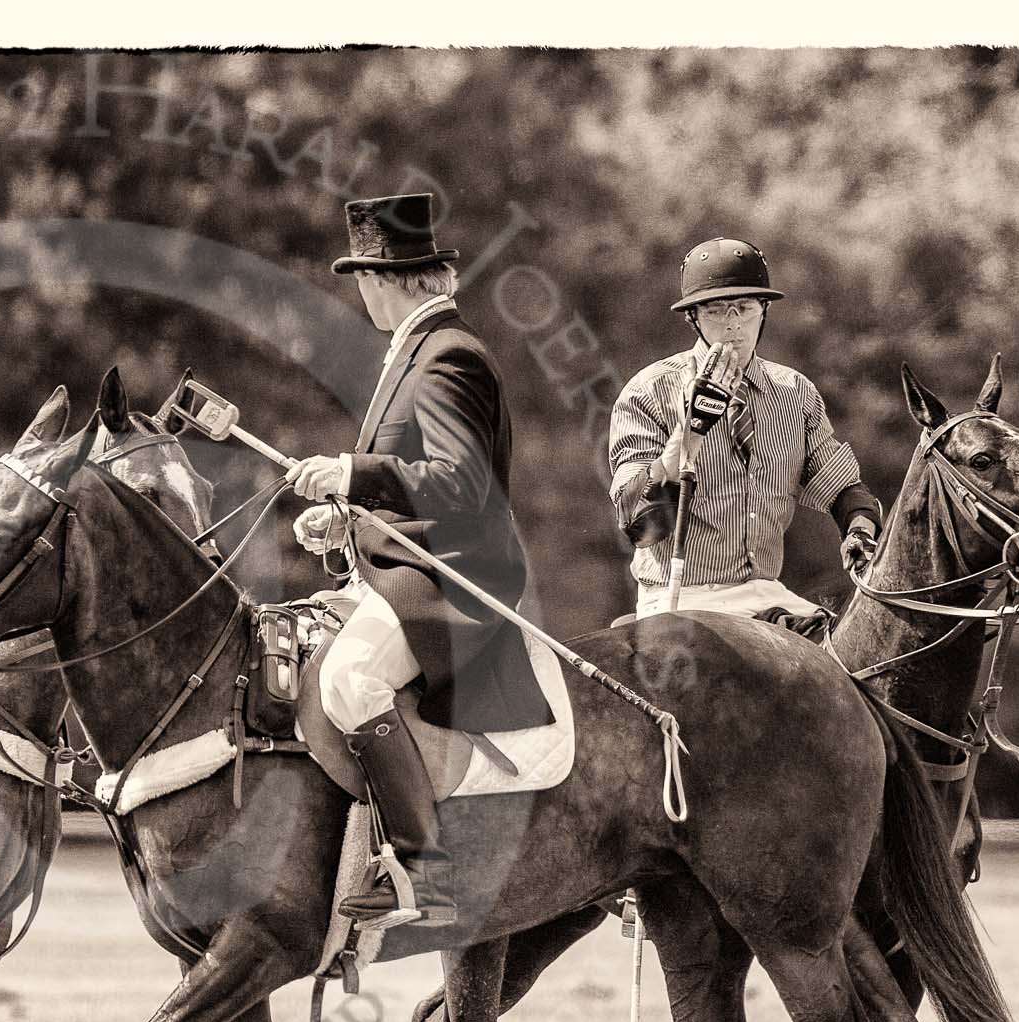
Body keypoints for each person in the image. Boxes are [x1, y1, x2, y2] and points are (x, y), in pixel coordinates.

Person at [284, 195, 551, 926]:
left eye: (361, 278)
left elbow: (460, 485)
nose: (360, 292)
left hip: (454, 580)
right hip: (403, 566)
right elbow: (413, 486)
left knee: (350, 680)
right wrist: (344, 517)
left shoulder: (449, 355)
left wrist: (351, 473)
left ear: (385, 278)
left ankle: (418, 867)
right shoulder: (417, 351)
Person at [609, 238, 881, 624]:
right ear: (693, 318)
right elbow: (638, 524)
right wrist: (691, 433)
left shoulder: (795, 392)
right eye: (717, 310)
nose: (733, 323)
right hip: (683, 600)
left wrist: (859, 530)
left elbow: (845, 490)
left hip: (769, 595)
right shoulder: (647, 391)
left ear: (764, 310)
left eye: (746, 308)